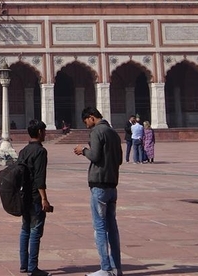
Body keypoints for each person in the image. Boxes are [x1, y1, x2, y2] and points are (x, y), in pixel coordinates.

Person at [74, 107, 122, 276]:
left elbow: (94, 156)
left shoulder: (97, 132)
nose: (86, 125)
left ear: (92, 117)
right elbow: (120, 159)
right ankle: (116, 268)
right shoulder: (113, 133)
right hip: (112, 184)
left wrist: (83, 150)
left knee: (100, 228)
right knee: (113, 228)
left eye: (86, 121)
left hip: (99, 185)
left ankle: (105, 268)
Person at [17, 119, 53, 276]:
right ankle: (33, 267)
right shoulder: (40, 151)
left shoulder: (23, 151)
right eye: (44, 131)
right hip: (35, 197)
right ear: (39, 132)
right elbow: (40, 178)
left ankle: (24, 264)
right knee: (35, 231)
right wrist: (44, 198)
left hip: (24, 195)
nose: (45, 134)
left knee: (25, 229)